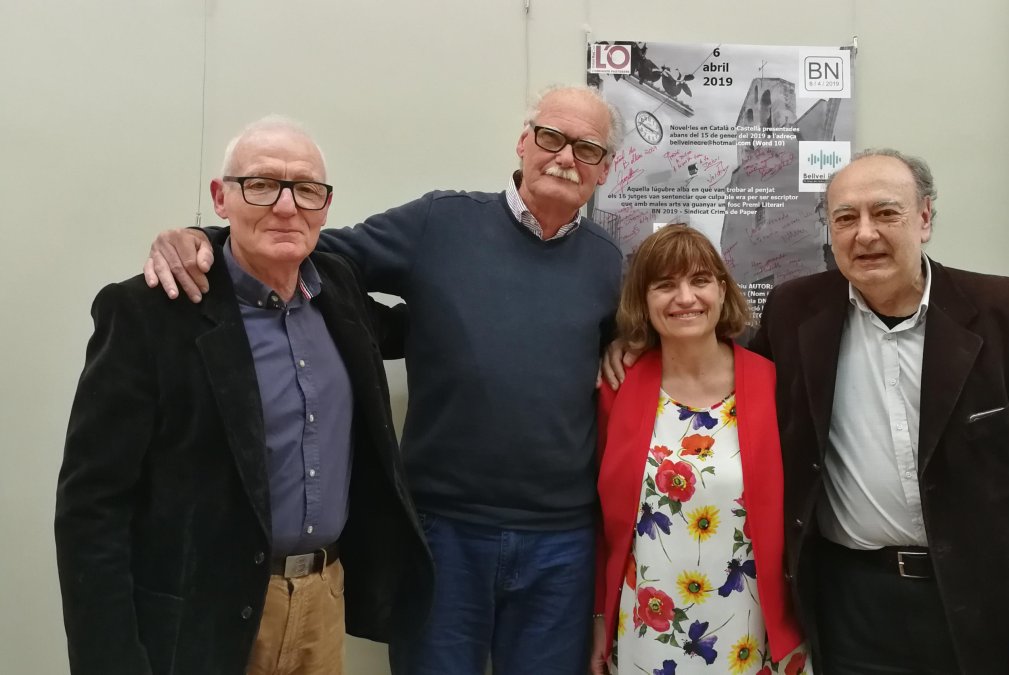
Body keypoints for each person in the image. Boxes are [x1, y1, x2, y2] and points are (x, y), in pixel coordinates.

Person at [140, 86, 624, 675]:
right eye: (551, 137)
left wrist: (627, 344)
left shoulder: (609, 263)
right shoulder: (439, 223)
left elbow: (636, 345)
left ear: (605, 168)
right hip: (443, 534)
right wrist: (205, 240)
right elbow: (307, 248)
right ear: (523, 142)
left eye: (586, 147)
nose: (565, 157)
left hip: (562, 542)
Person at [605, 149, 1009, 675]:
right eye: (845, 218)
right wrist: (633, 344)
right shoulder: (796, 313)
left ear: (925, 218)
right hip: (849, 607)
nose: (864, 234)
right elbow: (713, 355)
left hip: (985, 602)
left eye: (886, 213)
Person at [55, 117, 433, 675]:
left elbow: (434, 327)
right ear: (221, 197)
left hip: (322, 605)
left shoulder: (340, 293)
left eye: (306, 189)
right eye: (260, 184)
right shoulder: (150, 312)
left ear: (326, 207)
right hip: (202, 618)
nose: (286, 206)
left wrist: (607, 337)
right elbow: (92, 507)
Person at [590, 224, 808, 675]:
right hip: (648, 626)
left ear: (723, 291)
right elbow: (598, 521)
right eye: (665, 285)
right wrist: (597, 617)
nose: (685, 297)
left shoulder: (774, 384)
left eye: (700, 280)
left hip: (751, 625)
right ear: (642, 301)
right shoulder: (618, 388)